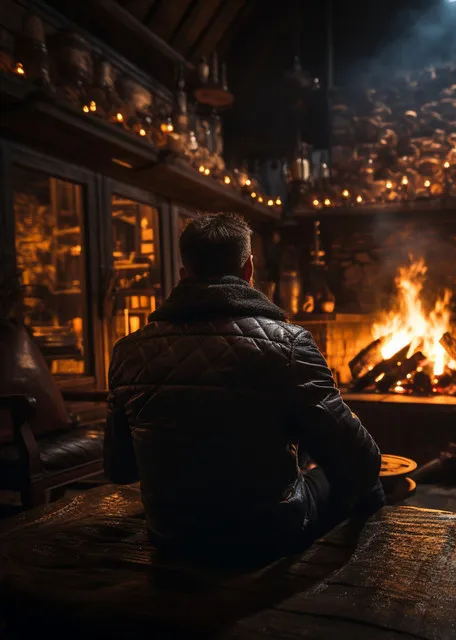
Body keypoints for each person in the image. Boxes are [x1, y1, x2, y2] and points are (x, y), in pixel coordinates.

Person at [104, 212, 383, 563]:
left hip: (172, 535)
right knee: (361, 478)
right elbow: (362, 462)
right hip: (268, 535)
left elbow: (120, 469)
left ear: (183, 274)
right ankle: (368, 577)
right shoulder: (290, 343)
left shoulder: (128, 350)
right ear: (249, 269)